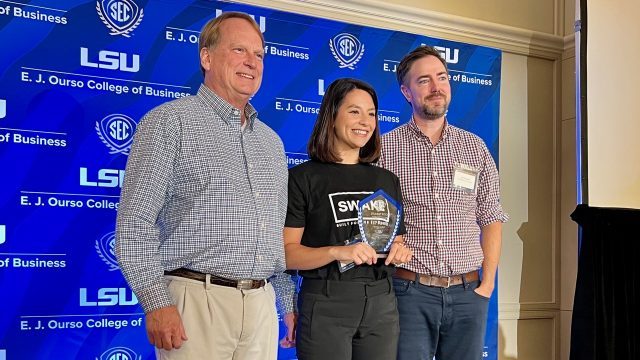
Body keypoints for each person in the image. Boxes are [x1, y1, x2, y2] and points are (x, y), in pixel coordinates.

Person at [115, 12, 295, 360]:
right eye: (239, 50)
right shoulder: (169, 122)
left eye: (258, 55)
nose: (251, 62)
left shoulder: (271, 142)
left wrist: (285, 299)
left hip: (260, 305)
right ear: (206, 57)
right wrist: (156, 302)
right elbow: (134, 222)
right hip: (194, 302)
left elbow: (274, 233)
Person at [377, 45, 508, 360]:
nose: (436, 88)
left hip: (468, 294)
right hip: (409, 293)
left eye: (442, 78)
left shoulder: (474, 147)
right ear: (407, 92)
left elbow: (491, 217)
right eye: (424, 81)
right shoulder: (384, 149)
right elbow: (375, 224)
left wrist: (487, 284)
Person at [284, 78, 413, 360]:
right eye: (354, 111)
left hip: (382, 299)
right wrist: (336, 251)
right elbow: (287, 254)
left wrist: (400, 251)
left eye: (371, 114)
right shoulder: (302, 178)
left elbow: (396, 241)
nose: (365, 121)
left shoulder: (387, 180)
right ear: (331, 116)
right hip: (327, 301)